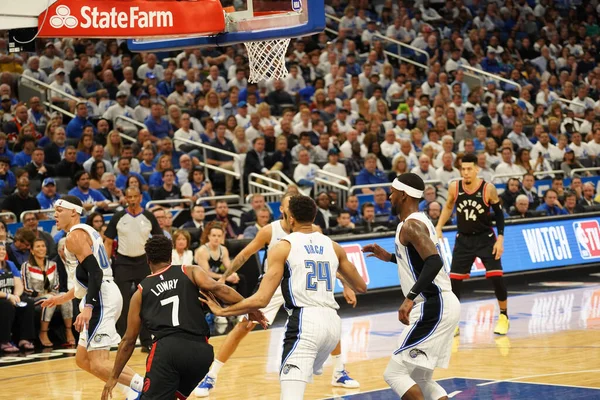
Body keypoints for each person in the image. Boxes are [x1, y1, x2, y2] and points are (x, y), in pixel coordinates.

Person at [195, 194, 362, 397]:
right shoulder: (270, 231)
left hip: (300, 282)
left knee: (323, 312)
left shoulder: (315, 234)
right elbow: (245, 254)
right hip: (273, 284)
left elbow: (325, 264)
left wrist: (344, 284)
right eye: (287, 205)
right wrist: (224, 277)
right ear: (283, 210)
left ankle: (339, 370)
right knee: (244, 326)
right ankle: (211, 375)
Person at [101, 235, 264, 400]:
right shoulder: (190, 271)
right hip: (200, 353)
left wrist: (114, 376)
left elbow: (128, 341)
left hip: (167, 352)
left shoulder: (140, 292)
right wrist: (249, 307)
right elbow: (219, 288)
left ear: (148, 259)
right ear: (170, 256)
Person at [362, 173, 459, 400]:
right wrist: (389, 257)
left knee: (394, 374)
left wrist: (409, 297)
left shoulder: (412, 224)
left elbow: (434, 261)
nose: (390, 195)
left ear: (404, 195)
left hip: (434, 305)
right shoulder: (416, 222)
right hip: (440, 304)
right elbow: (419, 260)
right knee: (421, 379)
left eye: (393, 192)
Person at [41, 196, 144, 400]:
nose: (55, 215)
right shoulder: (86, 232)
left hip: (100, 297)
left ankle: (149, 387)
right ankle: (132, 392)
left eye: (59, 210)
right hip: (101, 293)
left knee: (98, 361)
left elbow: (95, 274)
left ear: (74, 212)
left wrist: (88, 306)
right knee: (83, 360)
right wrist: (62, 298)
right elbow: (86, 278)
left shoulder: (74, 236)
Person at [435, 153, 509, 336]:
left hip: (485, 238)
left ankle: (503, 316)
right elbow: (448, 206)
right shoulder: (455, 187)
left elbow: (499, 215)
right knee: (454, 282)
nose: (466, 173)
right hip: (464, 239)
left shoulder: (488, 189)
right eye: (463, 169)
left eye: (469, 169)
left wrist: (500, 238)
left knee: (496, 277)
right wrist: (438, 227)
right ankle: (454, 323)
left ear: (477, 169)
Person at [103, 187, 163, 352]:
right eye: (129, 196)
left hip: (144, 262)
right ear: (125, 198)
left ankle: (146, 341)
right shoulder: (118, 217)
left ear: (141, 197)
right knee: (121, 302)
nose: (133, 199)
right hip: (122, 262)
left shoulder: (149, 216)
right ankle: (123, 339)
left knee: (146, 302)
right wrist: (105, 265)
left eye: (136, 196)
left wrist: (158, 263)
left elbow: (158, 239)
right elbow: (108, 241)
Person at [22, 238, 75, 347]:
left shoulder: (52, 264)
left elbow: (56, 284)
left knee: (65, 297)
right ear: (32, 250)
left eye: (43, 246)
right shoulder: (27, 266)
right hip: (34, 299)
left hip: (52, 294)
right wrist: (42, 294)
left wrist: (54, 294)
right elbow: (27, 288)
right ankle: (43, 332)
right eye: (38, 246)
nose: (41, 248)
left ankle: (68, 331)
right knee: (49, 300)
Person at [0, 242, 36, 352]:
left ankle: (24, 339)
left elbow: (18, 283)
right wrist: (7, 296)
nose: (2, 251)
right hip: (3, 298)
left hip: (10, 296)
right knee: (6, 306)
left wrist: (16, 295)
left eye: (3, 249)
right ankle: (4, 341)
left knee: (28, 303)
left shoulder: (10, 264)